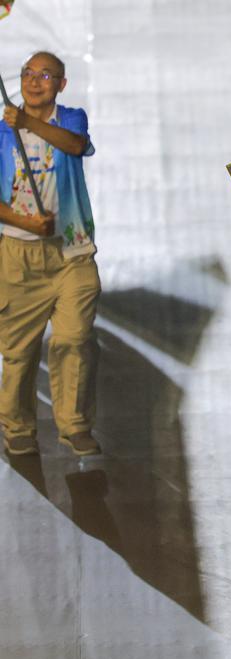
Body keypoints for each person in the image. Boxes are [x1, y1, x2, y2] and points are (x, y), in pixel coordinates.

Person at [0, 51, 100, 456]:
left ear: (61, 84)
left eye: (45, 75)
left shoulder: (70, 118)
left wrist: (27, 122)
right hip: (18, 256)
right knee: (19, 351)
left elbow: (76, 147)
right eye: (27, 74)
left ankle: (74, 425)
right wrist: (26, 224)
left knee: (75, 338)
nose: (34, 80)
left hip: (72, 253)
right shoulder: (2, 134)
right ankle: (17, 425)